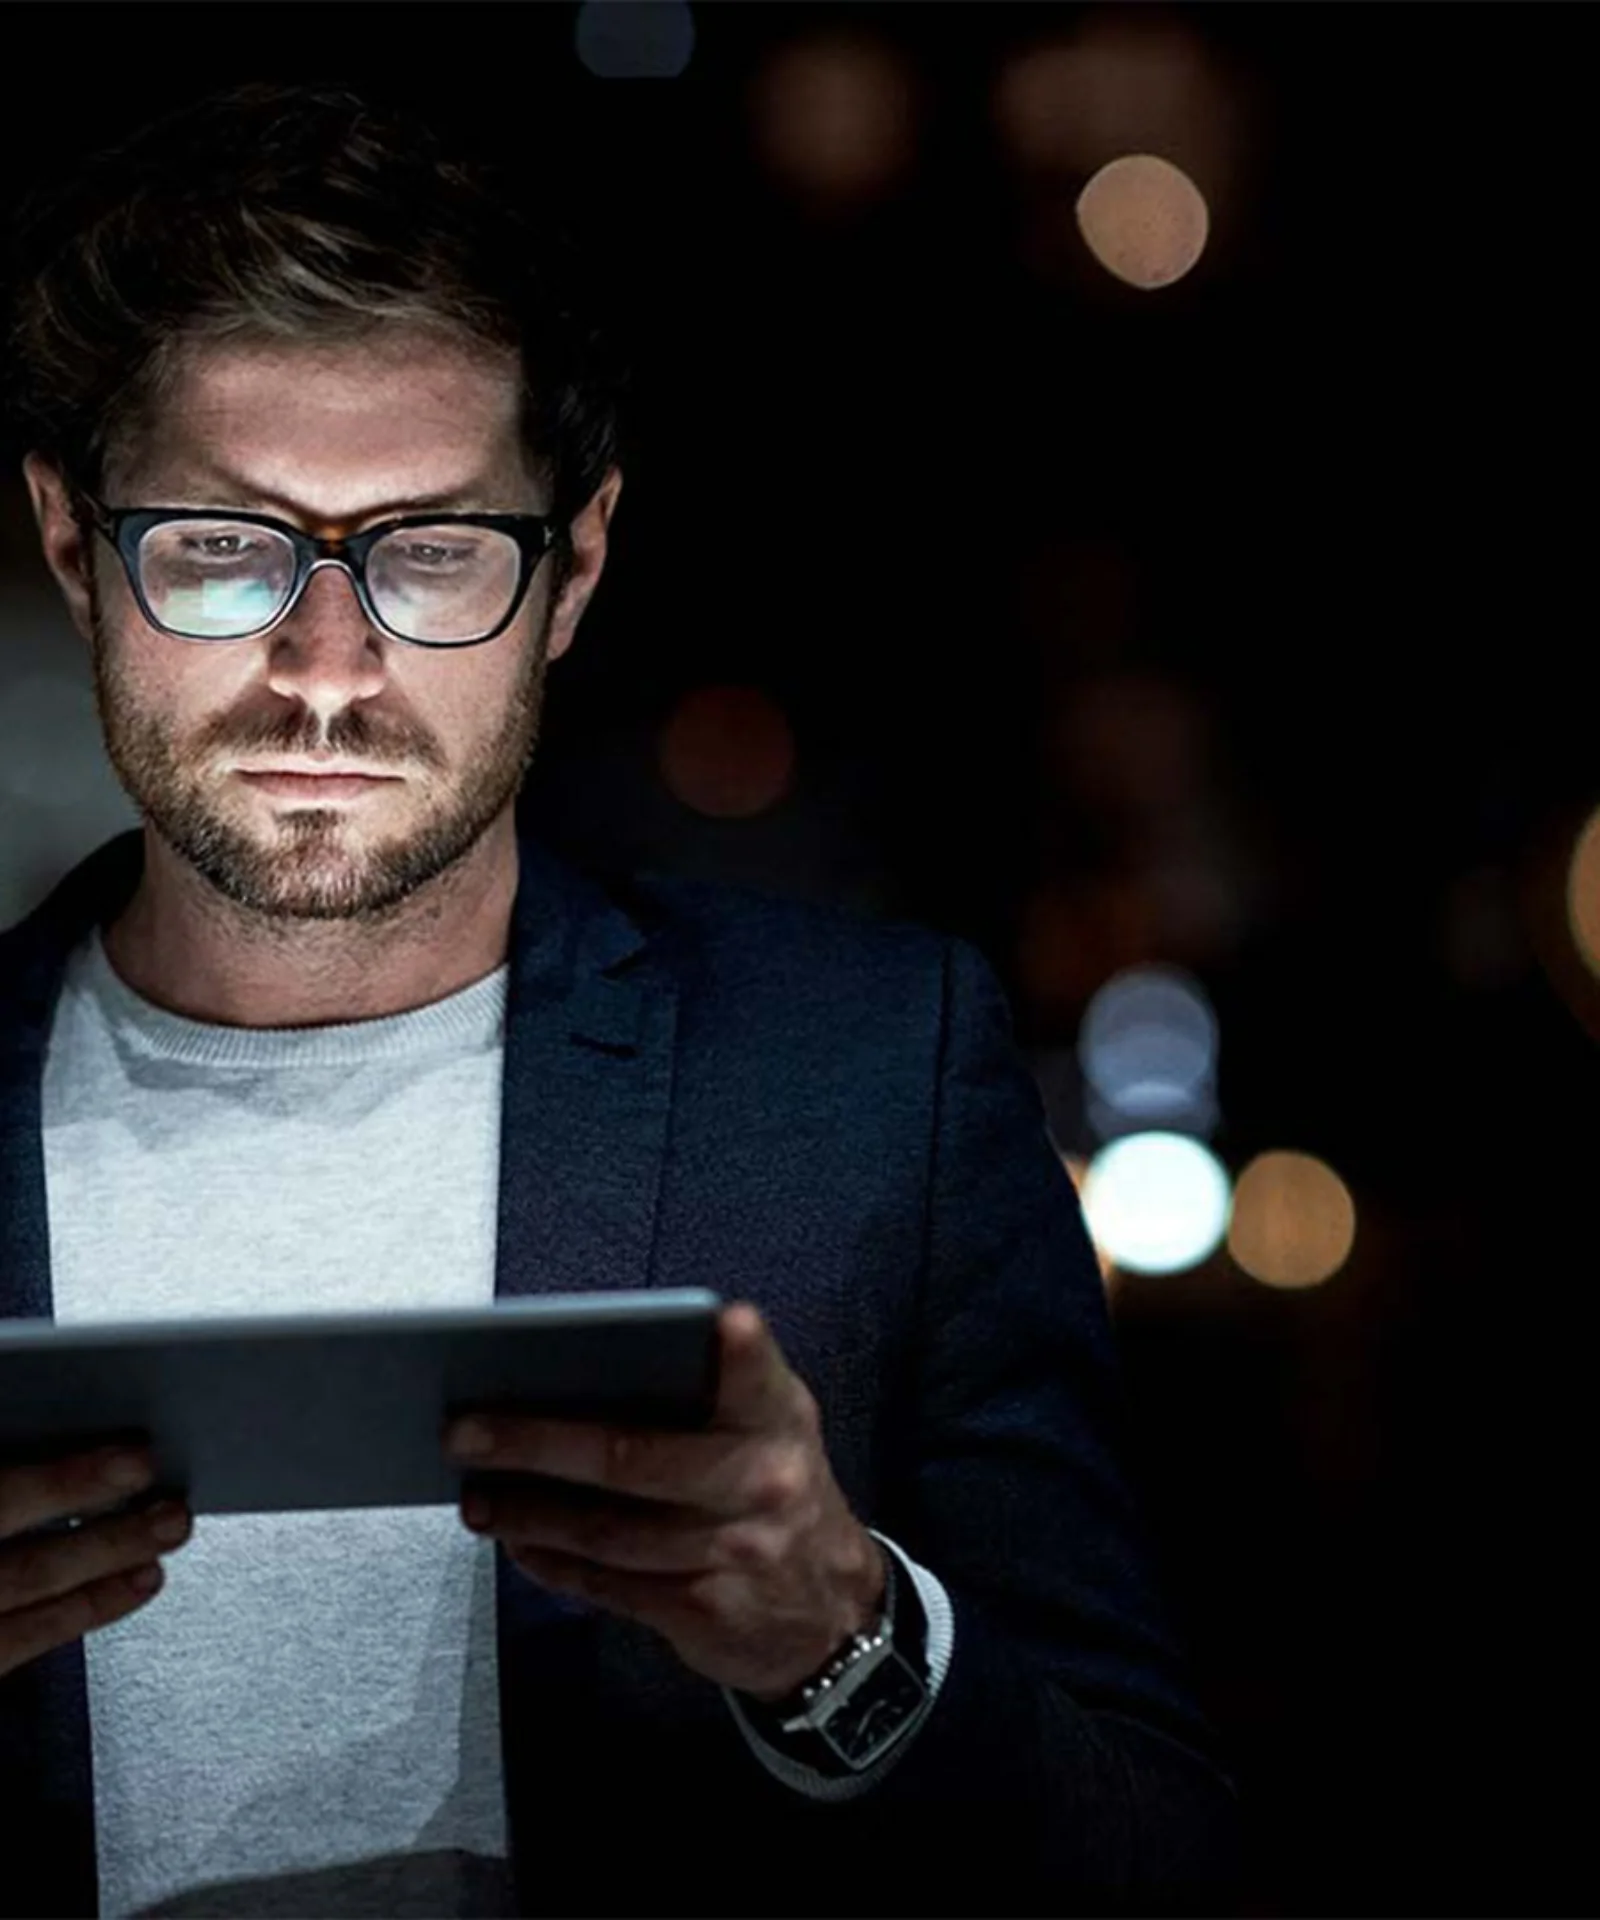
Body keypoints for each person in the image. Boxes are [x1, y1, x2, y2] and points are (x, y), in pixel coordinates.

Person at [0, 81, 1239, 1920]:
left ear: (569, 570)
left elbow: (1153, 1861)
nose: (324, 673)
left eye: (429, 553)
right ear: (73, 550)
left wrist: (842, 1637)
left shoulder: (863, 1081)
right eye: (224, 548)